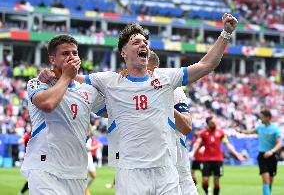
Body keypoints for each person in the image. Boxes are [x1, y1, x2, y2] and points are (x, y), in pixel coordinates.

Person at [39, 13, 238, 194]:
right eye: (136, 42)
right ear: (123, 52)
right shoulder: (109, 81)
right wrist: (53, 73)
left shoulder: (166, 78)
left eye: (145, 41)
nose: (143, 45)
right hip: (130, 173)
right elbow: (73, 77)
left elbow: (206, 65)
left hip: (165, 171)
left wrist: (225, 34)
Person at [21, 35, 105, 195]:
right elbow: (47, 104)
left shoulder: (87, 91)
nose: (71, 57)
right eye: (65, 53)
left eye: (75, 53)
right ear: (52, 59)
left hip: (76, 172)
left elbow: (112, 111)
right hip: (45, 169)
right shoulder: (37, 83)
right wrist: (66, 76)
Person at [148, 50, 198, 194]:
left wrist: (165, 105)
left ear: (154, 69)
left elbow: (187, 127)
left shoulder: (173, 90)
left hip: (177, 174)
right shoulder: (133, 92)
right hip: (146, 173)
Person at [189, 116, 245, 195]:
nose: (214, 124)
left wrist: (236, 154)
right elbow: (197, 143)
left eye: (215, 122)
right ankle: (207, 192)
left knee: (216, 181)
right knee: (205, 181)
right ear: (208, 124)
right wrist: (193, 152)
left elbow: (227, 144)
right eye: (212, 123)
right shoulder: (203, 133)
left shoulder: (220, 132)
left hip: (218, 160)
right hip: (206, 160)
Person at [236, 110, 282, 195]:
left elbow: (280, 143)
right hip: (262, 156)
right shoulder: (260, 127)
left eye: (262, 117)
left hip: (272, 156)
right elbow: (251, 131)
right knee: (265, 178)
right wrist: (241, 131)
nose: (260, 119)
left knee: (270, 180)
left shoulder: (275, 129)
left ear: (267, 117)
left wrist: (271, 151)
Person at [85, 127, 103, 195]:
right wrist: (97, 146)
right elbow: (87, 149)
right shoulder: (82, 135)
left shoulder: (90, 135)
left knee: (94, 176)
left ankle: (84, 189)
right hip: (83, 158)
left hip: (89, 157)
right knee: (83, 178)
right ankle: (85, 191)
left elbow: (92, 133)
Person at [17, 123, 32, 195]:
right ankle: (21, 192)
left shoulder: (32, 134)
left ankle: (21, 192)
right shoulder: (27, 135)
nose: (28, 128)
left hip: (34, 158)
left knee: (32, 178)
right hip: (30, 159)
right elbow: (20, 141)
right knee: (31, 178)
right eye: (28, 126)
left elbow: (19, 141)